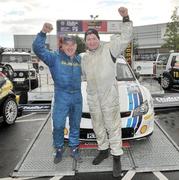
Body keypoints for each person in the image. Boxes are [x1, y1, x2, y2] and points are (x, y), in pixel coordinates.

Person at [81, 7, 133, 177]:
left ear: (98, 39)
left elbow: (126, 37)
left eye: (94, 38)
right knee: (98, 126)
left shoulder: (110, 49)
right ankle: (103, 149)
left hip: (109, 96)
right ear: (85, 42)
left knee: (113, 126)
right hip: (93, 97)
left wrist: (125, 18)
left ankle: (116, 155)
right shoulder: (84, 58)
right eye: (88, 39)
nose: (91, 41)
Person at [33, 23, 82, 164]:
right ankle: (59, 149)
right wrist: (43, 33)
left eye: (72, 44)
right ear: (62, 46)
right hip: (62, 96)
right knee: (59, 125)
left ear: (76, 47)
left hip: (77, 97)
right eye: (67, 44)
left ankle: (74, 148)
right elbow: (38, 49)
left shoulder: (80, 59)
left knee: (75, 124)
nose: (70, 47)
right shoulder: (54, 57)